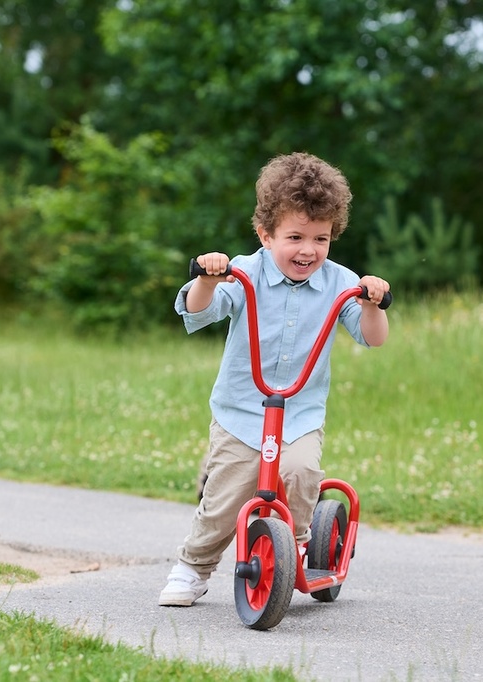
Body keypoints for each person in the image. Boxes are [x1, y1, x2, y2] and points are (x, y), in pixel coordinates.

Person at [159, 152, 390, 607]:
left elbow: (372, 338)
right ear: (265, 235)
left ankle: (295, 548)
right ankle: (193, 567)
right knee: (225, 499)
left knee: (300, 473)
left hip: (300, 413)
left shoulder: (341, 281)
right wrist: (209, 277)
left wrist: (370, 304)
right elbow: (201, 310)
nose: (308, 250)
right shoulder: (244, 271)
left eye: (320, 238)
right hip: (241, 413)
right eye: (295, 237)